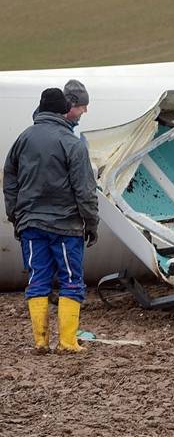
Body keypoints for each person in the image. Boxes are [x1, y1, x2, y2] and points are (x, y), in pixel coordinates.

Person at [4, 88, 99, 352]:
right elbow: (85, 190)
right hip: (66, 227)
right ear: (63, 110)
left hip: (30, 225)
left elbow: (9, 180)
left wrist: (16, 216)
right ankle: (67, 342)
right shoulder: (72, 143)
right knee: (71, 280)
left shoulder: (23, 138)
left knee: (37, 279)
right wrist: (91, 223)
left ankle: (40, 341)